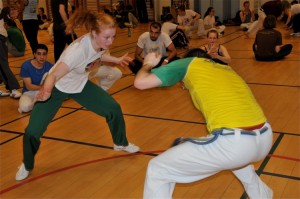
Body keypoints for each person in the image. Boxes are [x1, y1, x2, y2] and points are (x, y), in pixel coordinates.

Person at [15, 10, 140, 181]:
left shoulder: (98, 42)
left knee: (113, 109)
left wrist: (116, 60)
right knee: (32, 131)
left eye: (113, 37)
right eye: (107, 37)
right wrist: (46, 91)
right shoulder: (77, 51)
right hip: (56, 87)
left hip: (80, 85)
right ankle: (27, 164)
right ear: (94, 33)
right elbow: (53, 75)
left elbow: (100, 55)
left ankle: (121, 143)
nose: (110, 41)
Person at [133, 49, 273, 199]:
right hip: (264, 137)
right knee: (241, 164)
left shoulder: (189, 63)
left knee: (157, 169)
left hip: (234, 143)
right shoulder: (226, 69)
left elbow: (140, 82)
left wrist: (148, 63)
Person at [18, 44, 53, 113]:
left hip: (43, 91)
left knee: (49, 74)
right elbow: (29, 86)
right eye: (39, 54)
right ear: (34, 54)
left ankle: (36, 104)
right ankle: (36, 103)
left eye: (44, 54)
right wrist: (43, 87)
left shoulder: (50, 66)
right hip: (28, 92)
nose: (42, 57)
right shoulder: (26, 66)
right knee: (24, 107)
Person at [0, 3, 22, 98]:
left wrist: (8, 15)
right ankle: (13, 89)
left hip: (2, 35)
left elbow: (3, 18)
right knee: (2, 63)